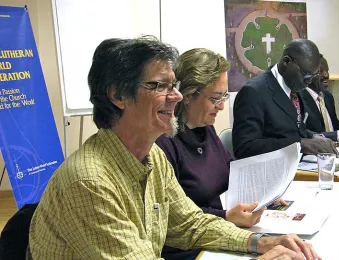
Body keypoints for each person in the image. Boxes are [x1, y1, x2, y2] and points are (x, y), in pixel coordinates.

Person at [28, 36, 320, 260]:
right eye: (161, 86)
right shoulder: (89, 182)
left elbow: (190, 224)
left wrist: (259, 242)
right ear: (118, 95)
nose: (177, 96)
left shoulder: (151, 156)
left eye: (175, 85)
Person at [156, 48, 266, 259]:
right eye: (216, 98)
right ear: (188, 96)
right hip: (192, 248)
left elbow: (232, 169)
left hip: (222, 233)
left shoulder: (204, 127)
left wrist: (267, 186)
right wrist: (225, 216)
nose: (222, 106)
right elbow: (176, 218)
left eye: (224, 96)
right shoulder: (164, 142)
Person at [232, 39, 339, 159]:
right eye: (306, 75)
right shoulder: (253, 92)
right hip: (270, 171)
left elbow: (296, 130)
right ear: (287, 62)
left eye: (313, 75)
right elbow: (244, 147)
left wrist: (317, 137)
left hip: (298, 165)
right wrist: (299, 145)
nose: (309, 81)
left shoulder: (296, 86)